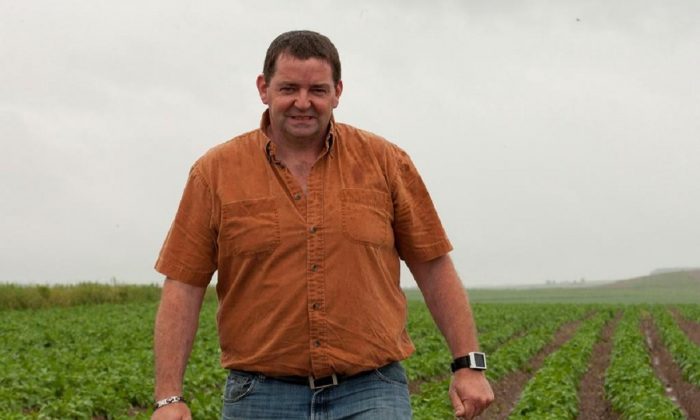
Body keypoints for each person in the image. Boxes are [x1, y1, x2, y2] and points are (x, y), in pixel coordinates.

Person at [152, 30, 493, 420]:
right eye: (288, 88)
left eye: (317, 89)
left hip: (371, 391)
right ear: (264, 88)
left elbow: (433, 265)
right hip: (260, 396)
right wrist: (168, 397)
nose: (302, 102)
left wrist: (468, 364)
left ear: (337, 91)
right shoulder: (215, 172)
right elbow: (184, 283)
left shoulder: (385, 163)